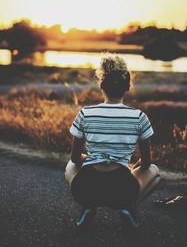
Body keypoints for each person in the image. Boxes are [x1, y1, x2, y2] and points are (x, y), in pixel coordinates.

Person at [65, 54, 160, 229]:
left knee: (69, 166)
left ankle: (88, 206)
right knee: (154, 171)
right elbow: (147, 163)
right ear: (127, 86)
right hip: (122, 187)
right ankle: (128, 206)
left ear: (101, 85)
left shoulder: (85, 113)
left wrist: (91, 158)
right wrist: (130, 167)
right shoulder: (139, 117)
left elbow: (75, 158)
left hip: (86, 187)